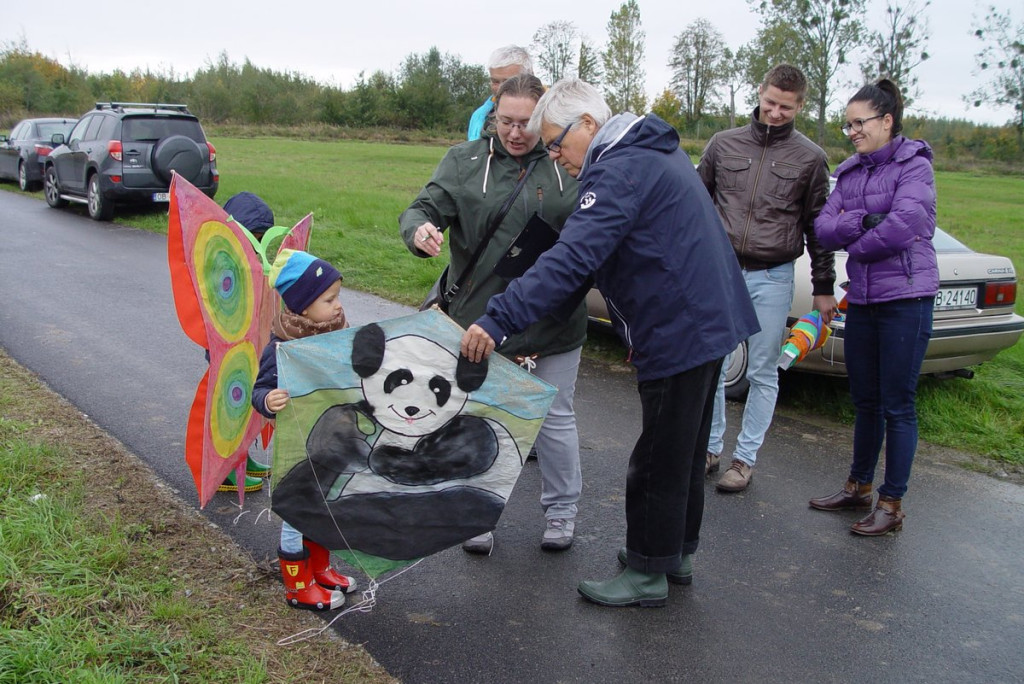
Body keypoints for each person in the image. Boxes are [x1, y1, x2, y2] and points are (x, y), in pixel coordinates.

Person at [460, 78, 759, 607]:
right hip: (709, 321)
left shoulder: (617, 170)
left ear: (590, 127)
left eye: (556, 142)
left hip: (679, 328)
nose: (554, 154)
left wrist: (498, 318)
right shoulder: (648, 154)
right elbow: (588, 263)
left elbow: (574, 257)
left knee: (659, 457)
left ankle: (647, 573)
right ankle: (674, 553)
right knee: (685, 450)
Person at [401, 73, 587, 554]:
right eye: (506, 121)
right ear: (493, 114)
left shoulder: (568, 163)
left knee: (555, 418)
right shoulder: (464, 161)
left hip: (553, 324)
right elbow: (424, 206)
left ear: (544, 118)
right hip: (479, 324)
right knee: (484, 415)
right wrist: (420, 229)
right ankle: (478, 514)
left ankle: (562, 512)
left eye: (527, 122)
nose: (516, 132)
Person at [697, 64, 836, 493]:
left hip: (773, 276)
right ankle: (710, 447)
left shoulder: (810, 158)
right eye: (771, 102)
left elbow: (819, 228)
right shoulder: (723, 144)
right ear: (760, 92)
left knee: (763, 370)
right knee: (713, 366)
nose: (775, 113)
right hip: (721, 273)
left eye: (786, 108)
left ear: (800, 106)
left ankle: (744, 459)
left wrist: (824, 288)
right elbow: (695, 206)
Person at [810, 79, 937, 536]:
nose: (852, 132)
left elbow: (905, 225)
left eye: (859, 123)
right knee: (864, 400)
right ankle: (859, 486)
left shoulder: (914, 166)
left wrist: (856, 247)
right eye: (847, 125)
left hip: (907, 298)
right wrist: (864, 221)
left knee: (897, 404)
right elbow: (823, 228)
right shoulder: (849, 172)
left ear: (886, 121)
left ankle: (891, 503)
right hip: (862, 299)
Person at [251, 248, 359, 609]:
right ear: (302, 305)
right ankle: (298, 587)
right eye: (329, 299)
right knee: (298, 512)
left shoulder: (338, 333)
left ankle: (320, 568)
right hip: (299, 447)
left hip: (333, 441)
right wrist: (268, 400)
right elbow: (260, 389)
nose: (338, 305)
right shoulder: (283, 346)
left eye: (338, 296)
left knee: (326, 509)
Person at [216, 191, 278, 493]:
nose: (256, 246)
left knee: (247, 404)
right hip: (228, 347)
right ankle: (226, 466)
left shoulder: (256, 261)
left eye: (262, 239)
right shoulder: (221, 260)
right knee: (230, 406)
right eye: (252, 238)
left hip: (251, 343)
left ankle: (243, 456)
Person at [467, 45, 533, 141]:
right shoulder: (479, 116)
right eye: (495, 82)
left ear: (529, 78)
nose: (500, 88)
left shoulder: (547, 115)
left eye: (508, 82)